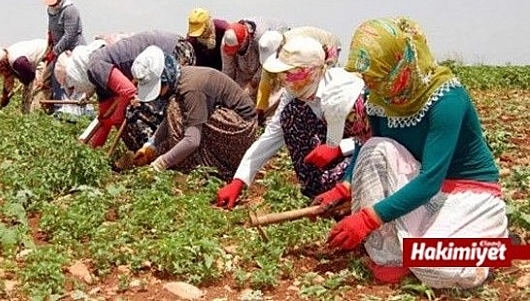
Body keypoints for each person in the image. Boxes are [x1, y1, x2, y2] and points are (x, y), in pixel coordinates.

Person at [317, 17, 507, 288]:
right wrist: (344, 187)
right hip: (420, 185)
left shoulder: (447, 100)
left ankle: (497, 241)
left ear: (398, 66)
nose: (370, 86)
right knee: (374, 147)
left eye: (376, 77)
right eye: (367, 79)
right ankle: (388, 253)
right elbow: (368, 150)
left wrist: (368, 218)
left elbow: (431, 179)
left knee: (439, 268)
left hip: (465, 191)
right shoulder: (382, 99)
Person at [215, 33, 370, 208]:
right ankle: (317, 189)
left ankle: (350, 192)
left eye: (290, 74)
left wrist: (339, 149)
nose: (283, 81)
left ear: (310, 72)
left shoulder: (348, 92)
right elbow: (272, 135)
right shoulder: (294, 94)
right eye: (282, 74)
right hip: (333, 149)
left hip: (362, 154)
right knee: (290, 116)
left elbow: (378, 139)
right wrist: (239, 180)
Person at [131, 46, 258, 179]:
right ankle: (193, 161)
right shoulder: (181, 78)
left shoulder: (190, 89)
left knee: (175, 109)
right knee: (175, 110)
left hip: (241, 131)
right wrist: (150, 146)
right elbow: (168, 121)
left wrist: (161, 164)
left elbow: (192, 140)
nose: (158, 94)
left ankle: (209, 167)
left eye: (159, 88)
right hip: (232, 125)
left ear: (166, 78)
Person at [62, 30, 195, 150]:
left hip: (173, 52)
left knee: (138, 111)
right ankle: (156, 150)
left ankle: (161, 152)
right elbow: (104, 119)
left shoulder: (95, 67)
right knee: (130, 112)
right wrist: (91, 151)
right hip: (171, 47)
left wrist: (118, 116)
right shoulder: (100, 79)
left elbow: (130, 92)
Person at [255, 27, 342, 125]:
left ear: (280, 48)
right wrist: (260, 110)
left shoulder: (296, 46)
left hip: (329, 49)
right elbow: (265, 83)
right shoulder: (281, 49)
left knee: (310, 86)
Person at [42, 0, 86, 108]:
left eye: (54, 3)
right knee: (56, 79)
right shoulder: (50, 11)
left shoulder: (70, 10)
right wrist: (50, 46)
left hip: (73, 49)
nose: (53, 6)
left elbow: (69, 35)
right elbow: (51, 30)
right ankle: (59, 108)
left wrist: (54, 52)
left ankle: (77, 109)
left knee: (73, 78)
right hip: (58, 50)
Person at [0, 38, 49, 113]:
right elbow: (8, 79)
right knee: (27, 98)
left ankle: (37, 112)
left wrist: (21, 78)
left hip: (46, 57)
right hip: (32, 67)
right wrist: (5, 96)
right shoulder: (8, 61)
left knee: (36, 91)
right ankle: (27, 113)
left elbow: (30, 77)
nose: (0, 72)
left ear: (2, 63)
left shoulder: (17, 61)